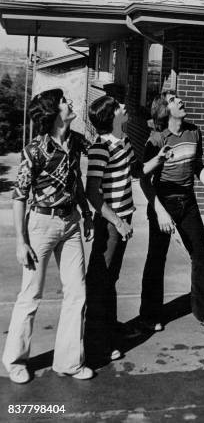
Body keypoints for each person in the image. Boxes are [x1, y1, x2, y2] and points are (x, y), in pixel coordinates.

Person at [2, 89, 94, 383]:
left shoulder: (77, 141)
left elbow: (76, 181)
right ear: (54, 113)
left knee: (77, 293)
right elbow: (19, 196)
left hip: (70, 224)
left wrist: (87, 213)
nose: (70, 103)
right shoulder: (34, 150)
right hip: (40, 225)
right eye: (65, 101)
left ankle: (68, 362)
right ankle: (15, 361)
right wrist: (21, 241)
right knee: (30, 295)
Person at [137, 90, 204, 331]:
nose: (181, 101)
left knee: (201, 256)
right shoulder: (156, 140)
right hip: (163, 201)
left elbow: (197, 165)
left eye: (178, 98)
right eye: (174, 100)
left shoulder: (194, 131)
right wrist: (160, 212)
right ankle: (150, 316)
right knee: (156, 259)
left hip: (188, 201)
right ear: (165, 109)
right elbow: (144, 180)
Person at [84, 95, 135, 365]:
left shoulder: (123, 141)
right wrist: (118, 221)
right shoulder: (100, 148)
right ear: (110, 116)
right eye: (118, 106)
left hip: (123, 219)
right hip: (111, 223)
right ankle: (98, 344)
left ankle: (110, 327)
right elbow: (93, 192)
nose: (124, 107)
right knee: (100, 282)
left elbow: (133, 174)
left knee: (110, 279)